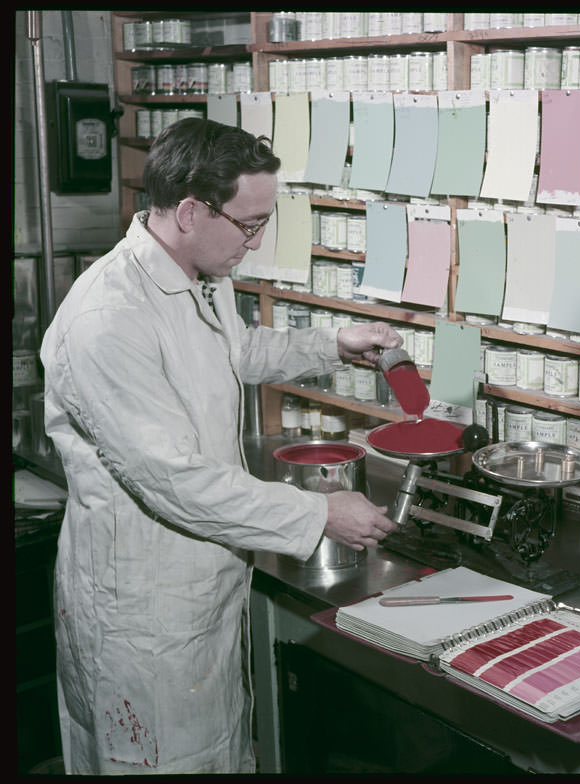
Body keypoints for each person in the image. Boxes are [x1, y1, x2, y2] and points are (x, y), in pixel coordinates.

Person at [39, 118, 401, 774]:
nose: (255, 244)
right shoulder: (108, 321)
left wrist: (331, 344)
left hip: (200, 589)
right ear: (187, 212)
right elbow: (172, 478)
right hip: (143, 612)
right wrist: (318, 514)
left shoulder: (200, 273)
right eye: (249, 224)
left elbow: (234, 349)